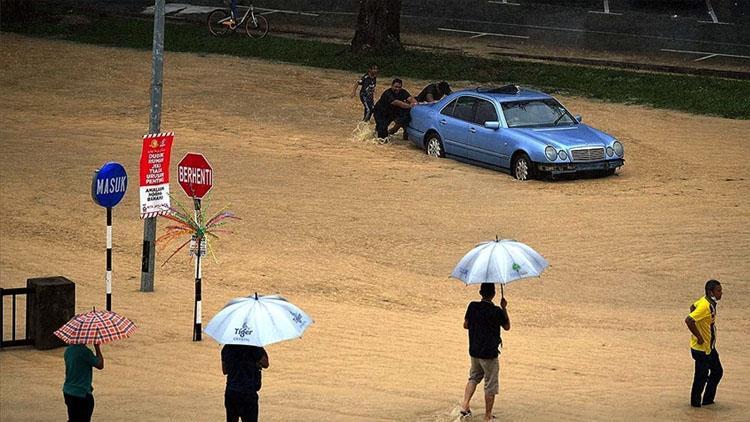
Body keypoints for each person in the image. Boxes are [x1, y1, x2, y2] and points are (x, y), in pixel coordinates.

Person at [460, 283, 510, 421]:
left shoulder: (472, 306)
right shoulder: (496, 311)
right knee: (490, 384)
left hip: (474, 350)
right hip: (489, 354)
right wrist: (504, 308)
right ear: (493, 294)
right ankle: (488, 416)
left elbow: (465, 325)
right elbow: (507, 327)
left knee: (474, 377)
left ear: (480, 292)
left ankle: (465, 405)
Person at [685, 279, 723, 408]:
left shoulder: (706, 302)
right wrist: (699, 336)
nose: (721, 293)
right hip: (701, 349)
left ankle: (707, 400)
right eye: (718, 291)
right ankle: (695, 406)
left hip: (709, 348)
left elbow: (692, 306)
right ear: (710, 291)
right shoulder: (705, 306)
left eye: (721, 290)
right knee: (700, 378)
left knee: (717, 371)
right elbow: (689, 320)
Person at [222, 344, 270, 422]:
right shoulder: (254, 346)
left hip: (231, 391)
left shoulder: (227, 348)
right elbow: (265, 363)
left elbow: (224, 370)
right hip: (248, 392)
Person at [62, 343, 104, 422]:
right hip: (82, 393)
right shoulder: (85, 352)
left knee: (73, 418)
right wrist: (97, 347)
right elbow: (100, 365)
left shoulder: (68, 351)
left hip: (68, 391)